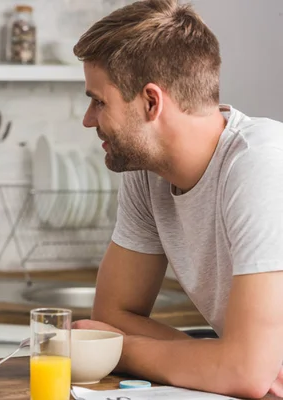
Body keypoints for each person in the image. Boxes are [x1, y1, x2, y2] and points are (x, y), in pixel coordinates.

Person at [70, 0, 283, 398]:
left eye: (99, 101)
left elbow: (246, 374)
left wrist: (118, 351)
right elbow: (114, 315)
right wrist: (222, 361)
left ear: (152, 102)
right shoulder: (148, 174)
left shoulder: (260, 164)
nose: (88, 119)